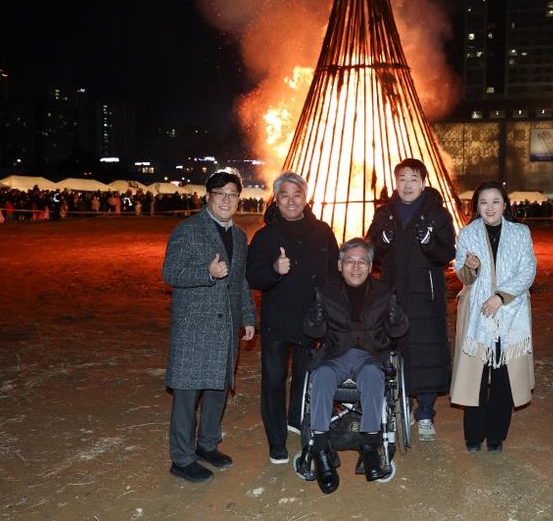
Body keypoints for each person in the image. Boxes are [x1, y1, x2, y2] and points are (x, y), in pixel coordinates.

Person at [162, 168, 256, 483]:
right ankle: (182, 458)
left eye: (232, 195)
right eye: (220, 194)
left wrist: (248, 317)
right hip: (195, 326)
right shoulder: (187, 230)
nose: (227, 200)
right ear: (208, 197)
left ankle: (207, 444)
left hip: (226, 324)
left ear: (239, 199)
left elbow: (241, 280)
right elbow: (170, 272)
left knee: (217, 389)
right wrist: (206, 273)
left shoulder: (240, 235)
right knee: (187, 395)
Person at [301, 237, 409, 494]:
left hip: (370, 355)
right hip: (335, 354)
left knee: (373, 375)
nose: (356, 267)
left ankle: (370, 446)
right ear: (340, 265)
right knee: (322, 375)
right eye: (350, 261)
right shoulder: (326, 291)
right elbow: (312, 331)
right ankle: (321, 449)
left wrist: (396, 318)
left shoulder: (385, 292)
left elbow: (399, 330)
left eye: (362, 262)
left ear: (370, 266)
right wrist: (316, 318)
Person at [246, 171, 339, 464]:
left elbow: (334, 276)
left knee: (305, 376)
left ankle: (296, 420)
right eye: (284, 195)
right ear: (276, 199)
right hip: (277, 320)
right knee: (274, 380)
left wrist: (332, 311)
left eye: (296, 195)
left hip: (312, 320)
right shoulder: (265, 236)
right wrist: (274, 270)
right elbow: (252, 276)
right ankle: (276, 441)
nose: (291, 201)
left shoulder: (322, 232)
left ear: (305, 198)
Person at [365, 158, 456, 441]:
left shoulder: (438, 215)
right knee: (394, 349)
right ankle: (397, 404)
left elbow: (446, 253)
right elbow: (370, 252)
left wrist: (429, 241)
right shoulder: (384, 214)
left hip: (425, 295)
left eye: (414, 179)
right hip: (392, 293)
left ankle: (425, 412)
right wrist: (382, 241)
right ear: (395, 182)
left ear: (424, 183)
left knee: (426, 351)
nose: (407, 185)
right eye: (402, 179)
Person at [450, 180, 537, 453]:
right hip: (478, 315)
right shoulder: (467, 234)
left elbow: (528, 270)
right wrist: (470, 267)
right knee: (475, 375)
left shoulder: (521, 233)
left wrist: (500, 297)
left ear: (505, 205)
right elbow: (464, 276)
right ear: (476, 206)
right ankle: (473, 436)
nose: (490, 207)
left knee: (503, 376)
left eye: (495, 201)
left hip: (511, 312)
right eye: (484, 202)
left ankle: (496, 436)